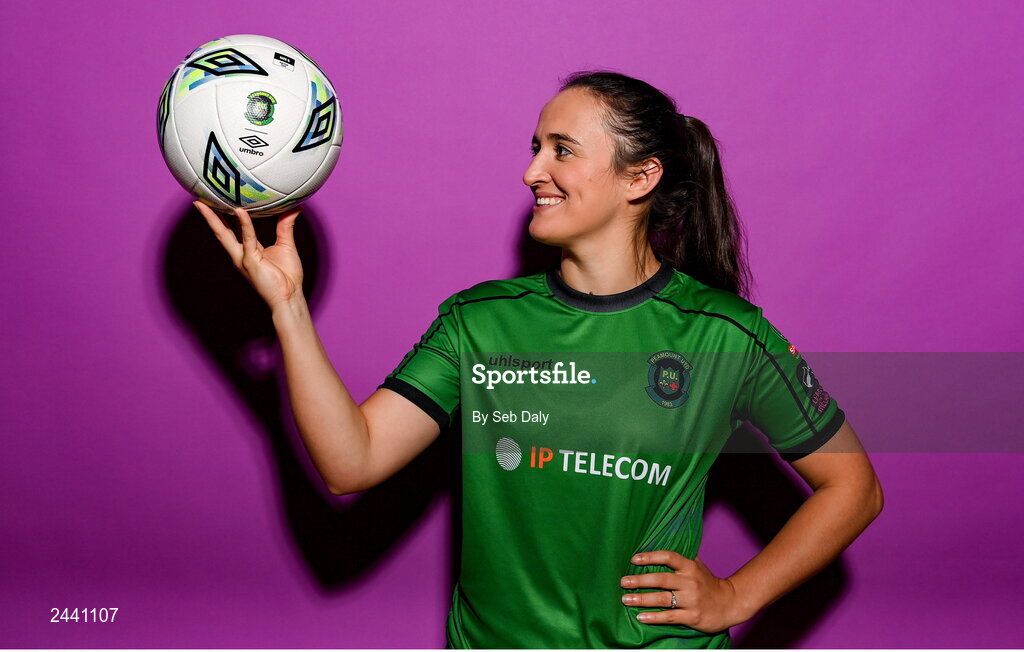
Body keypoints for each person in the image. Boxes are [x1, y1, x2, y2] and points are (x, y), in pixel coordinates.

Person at [196, 70, 883, 649]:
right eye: (534, 148)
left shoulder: (724, 336)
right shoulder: (479, 322)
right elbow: (352, 461)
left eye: (562, 150)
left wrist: (736, 595)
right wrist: (288, 307)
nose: (532, 172)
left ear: (640, 177)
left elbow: (854, 488)